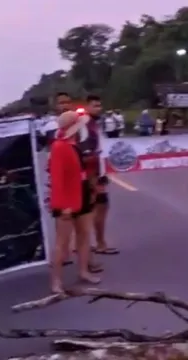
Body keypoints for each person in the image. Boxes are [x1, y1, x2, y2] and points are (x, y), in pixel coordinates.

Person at [49, 110, 102, 293]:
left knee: (84, 234)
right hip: (67, 200)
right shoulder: (59, 146)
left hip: (82, 194)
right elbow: (57, 180)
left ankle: (83, 271)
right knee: (62, 242)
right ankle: (56, 281)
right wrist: (62, 206)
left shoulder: (75, 145)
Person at [84, 95, 119, 255]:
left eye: (99, 105)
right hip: (93, 173)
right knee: (99, 207)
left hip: (98, 170)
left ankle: (96, 243)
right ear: (87, 107)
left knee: (98, 208)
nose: (98, 108)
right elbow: (86, 153)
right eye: (95, 106)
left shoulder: (95, 124)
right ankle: (99, 243)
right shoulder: (86, 126)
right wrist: (93, 176)